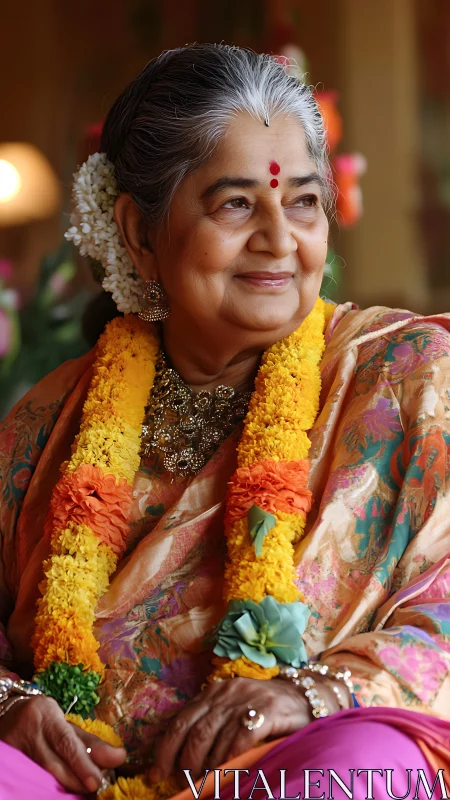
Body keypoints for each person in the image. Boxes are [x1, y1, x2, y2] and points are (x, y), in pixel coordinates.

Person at [0, 43, 450, 800]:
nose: (280, 239)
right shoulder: (47, 423)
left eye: (304, 201)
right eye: (236, 204)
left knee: (366, 764)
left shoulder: (409, 378)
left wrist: (316, 692)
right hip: (72, 784)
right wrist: (11, 704)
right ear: (140, 235)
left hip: (292, 767)